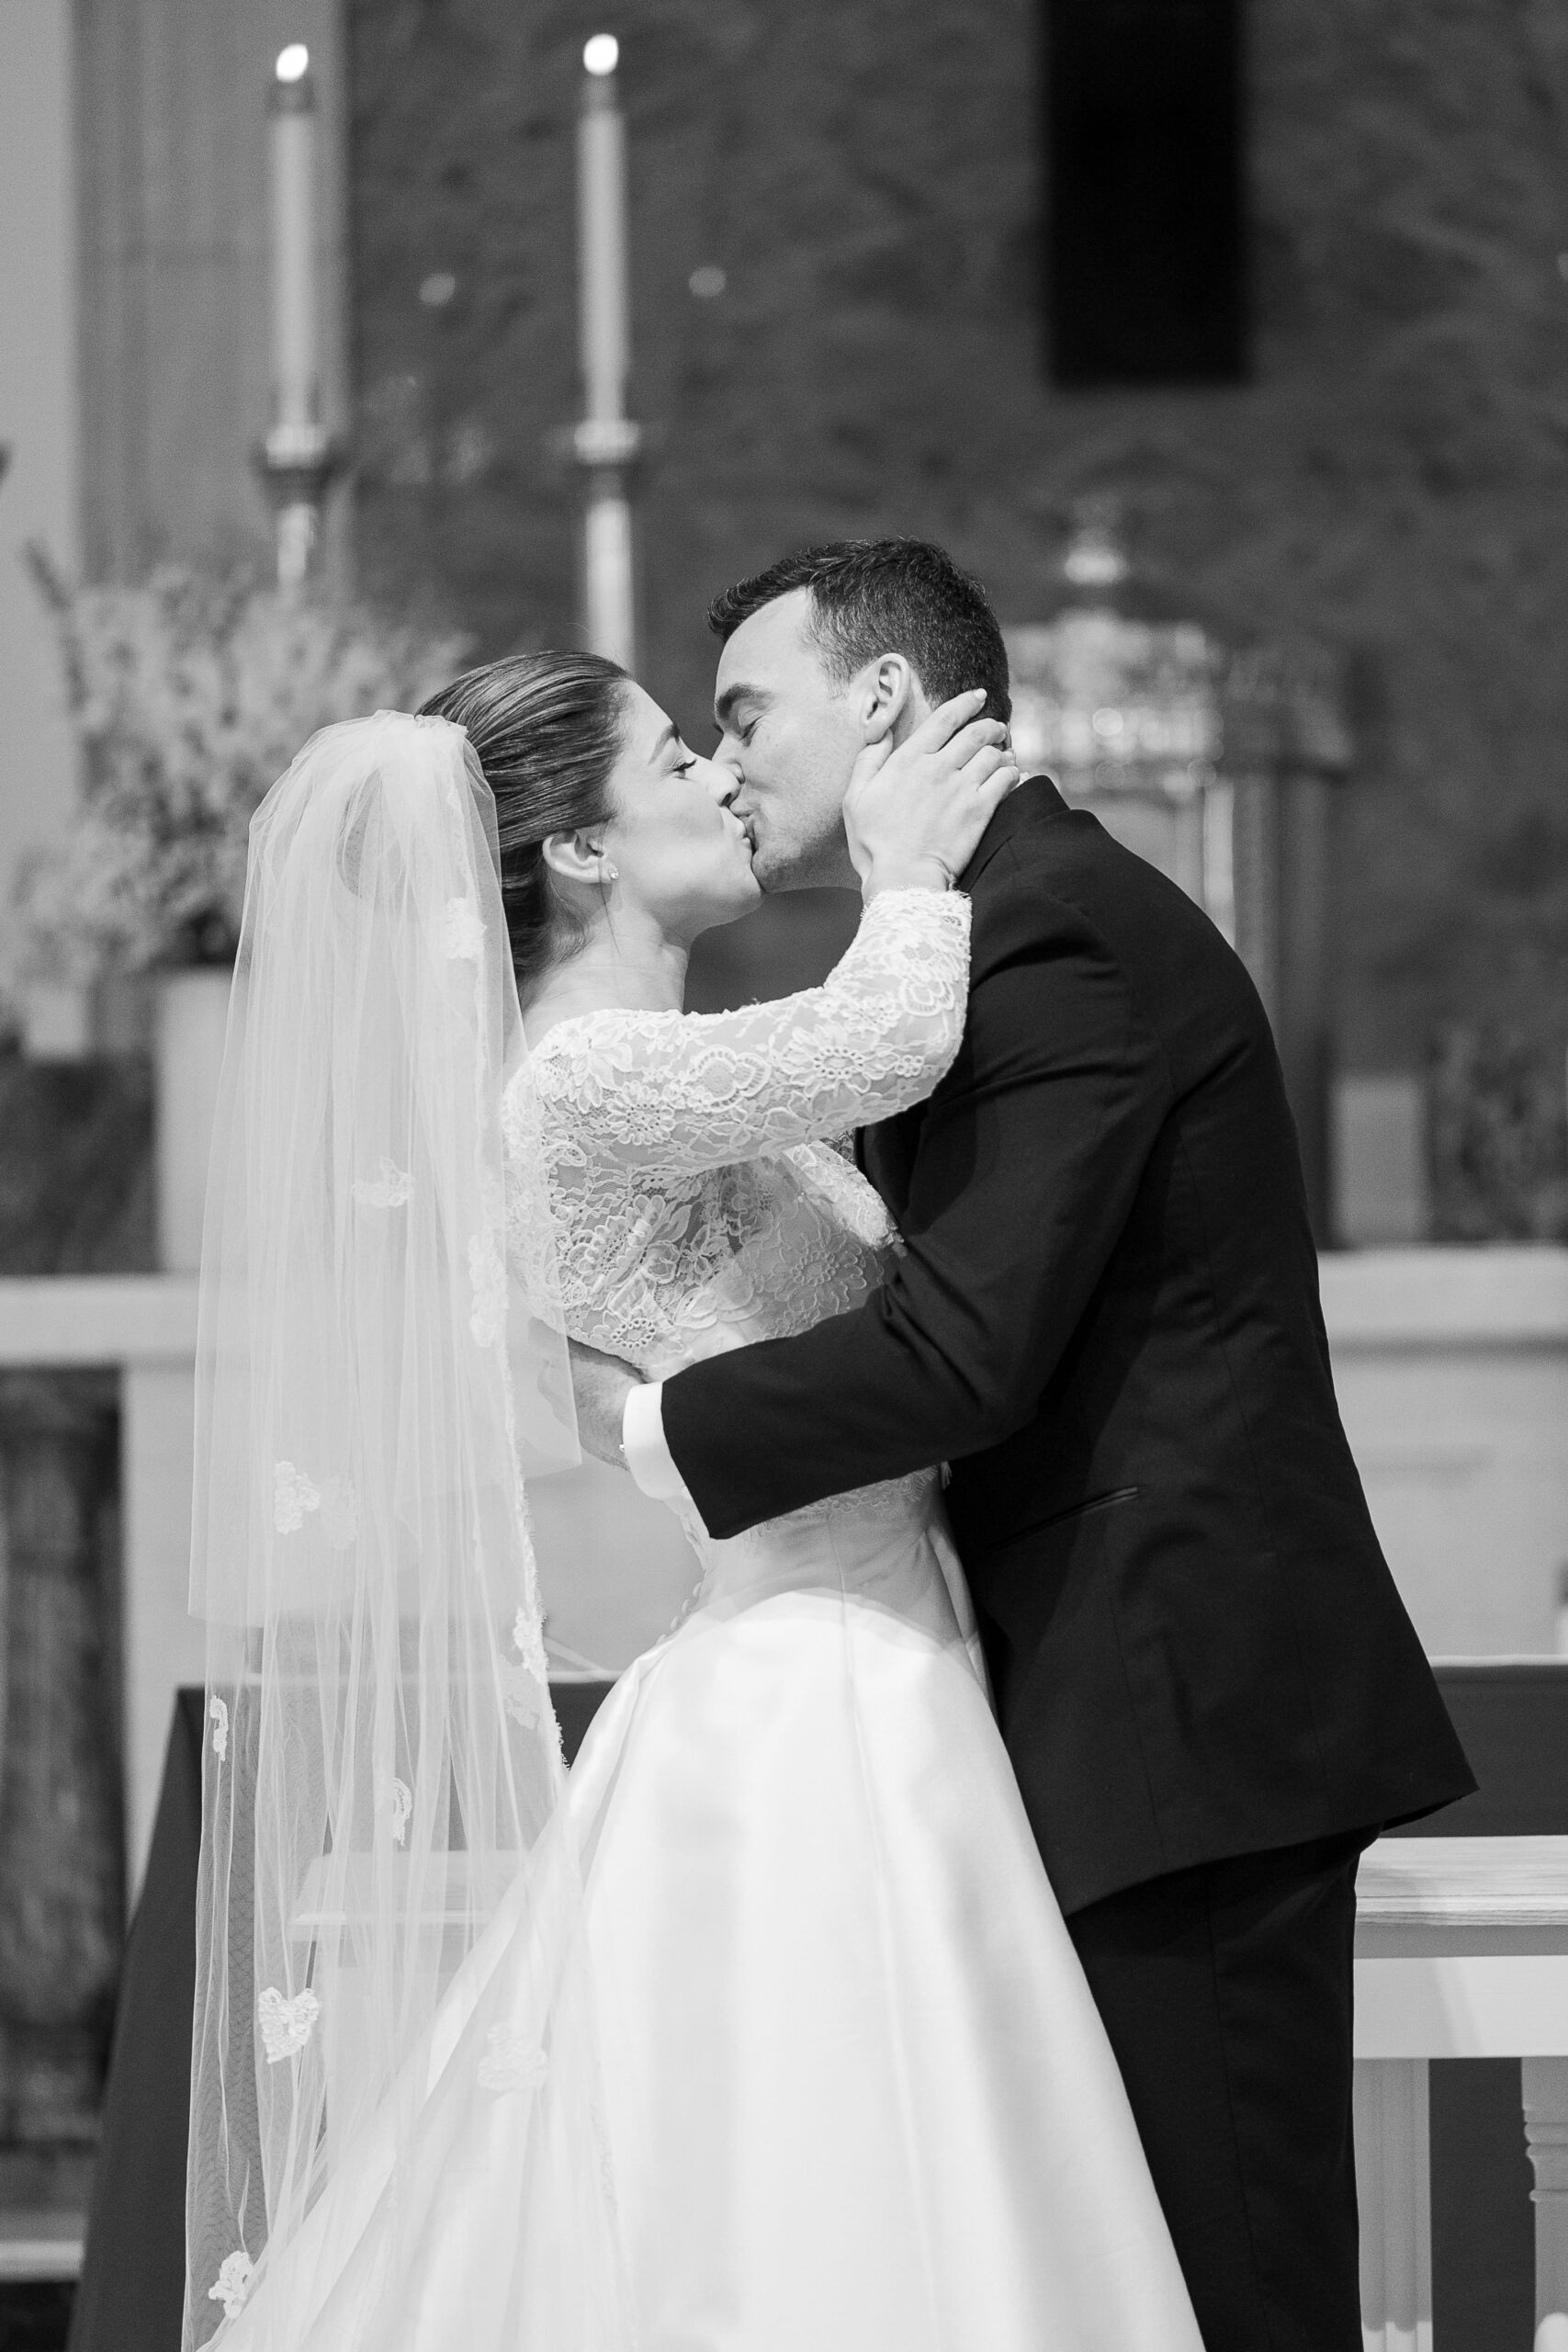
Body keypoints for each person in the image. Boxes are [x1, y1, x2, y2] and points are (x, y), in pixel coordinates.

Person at [185, 663, 1207, 2350]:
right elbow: (890, 1038)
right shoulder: (582, 1079)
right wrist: (907, 856)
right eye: (681, 754)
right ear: (585, 848)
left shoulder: (646, 1063)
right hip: (819, 1674)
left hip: (881, 1623)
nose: (727, 779)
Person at [570, 537, 1478, 2352]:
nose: (730, 761)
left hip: (1173, 1718)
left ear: (881, 695)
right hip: (1085, 1711)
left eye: (747, 714)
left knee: (1235, 2290)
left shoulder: (1044, 922)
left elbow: (967, 1350)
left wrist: (649, 1421)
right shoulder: (972, 925)